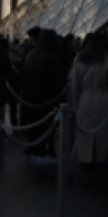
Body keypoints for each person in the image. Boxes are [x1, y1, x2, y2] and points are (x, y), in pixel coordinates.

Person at [70, 32, 108, 188]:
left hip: (85, 100)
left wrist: (75, 107)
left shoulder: (80, 59)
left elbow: (75, 86)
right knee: (103, 138)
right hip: (105, 100)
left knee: (84, 138)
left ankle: (86, 171)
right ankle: (102, 170)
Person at [19, 29, 65, 157]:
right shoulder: (52, 57)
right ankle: (47, 148)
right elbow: (56, 80)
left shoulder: (31, 54)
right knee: (47, 125)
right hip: (47, 97)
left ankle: (34, 146)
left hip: (30, 97)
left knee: (34, 125)